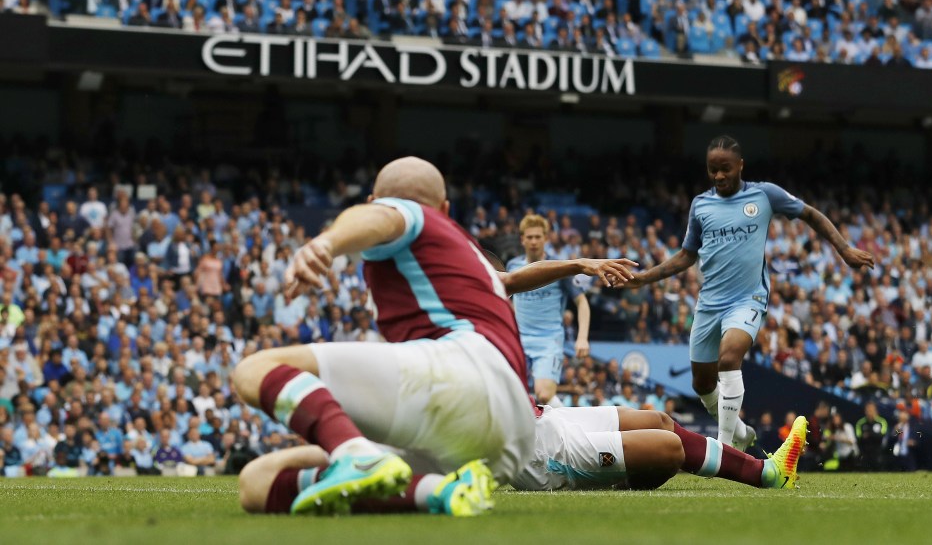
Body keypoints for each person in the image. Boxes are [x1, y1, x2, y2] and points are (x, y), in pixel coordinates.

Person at [232, 156, 636, 517]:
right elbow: (512, 279)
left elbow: (385, 216)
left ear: (376, 200)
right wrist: (577, 263)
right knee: (258, 483)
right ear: (445, 208)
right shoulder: (467, 257)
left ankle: (355, 456)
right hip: (505, 439)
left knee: (255, 369)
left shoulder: (405, 217)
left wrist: (325, 243)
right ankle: (440, 492)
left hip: (464, 374)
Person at [620, 135, 875, 449]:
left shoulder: (765, 195)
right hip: (709, 302)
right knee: (701, 383)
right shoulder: (701, 205)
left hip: (748, 298)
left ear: (740, 165)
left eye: (725, 168)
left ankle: (723, 448)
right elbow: (688, 255)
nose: (719, 176)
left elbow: (809, 214)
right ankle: (739, 431)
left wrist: (844, 249)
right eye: (713, 170)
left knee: (729, 358)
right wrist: (643, 278)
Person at [238, 410, 809, 513]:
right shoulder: (393, 444)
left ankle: (624, 482)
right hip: (544, 454)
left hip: (545, 415)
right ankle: (768, 473)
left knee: (660, 421)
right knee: (667, 448)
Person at [507, 214, 593, 408]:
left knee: (544, 395)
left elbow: (582, 302)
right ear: (522, 239)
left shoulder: (559, 268)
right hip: (518, 339)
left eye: (538, 237)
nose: (534, 241)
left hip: (548, 340)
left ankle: (570, 428)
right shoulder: (513, 267)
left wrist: (582, 338)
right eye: (529, 237)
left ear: (546, 238)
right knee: (508, 392)